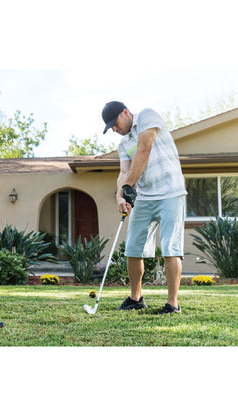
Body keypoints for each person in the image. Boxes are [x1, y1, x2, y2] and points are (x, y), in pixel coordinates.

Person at [102, 101, 187, 314]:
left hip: (171, 192)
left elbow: (144, 149)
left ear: (125, 112)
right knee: (132, 248)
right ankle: (136, 298)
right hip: (145, 198)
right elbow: (124, 172)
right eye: (110, 127)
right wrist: (120, 195)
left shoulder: (148, 116)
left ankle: (172, 304)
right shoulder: (123, 145)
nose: (114, 129)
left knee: (170, 248)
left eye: (115, 123)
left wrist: (130, 185)